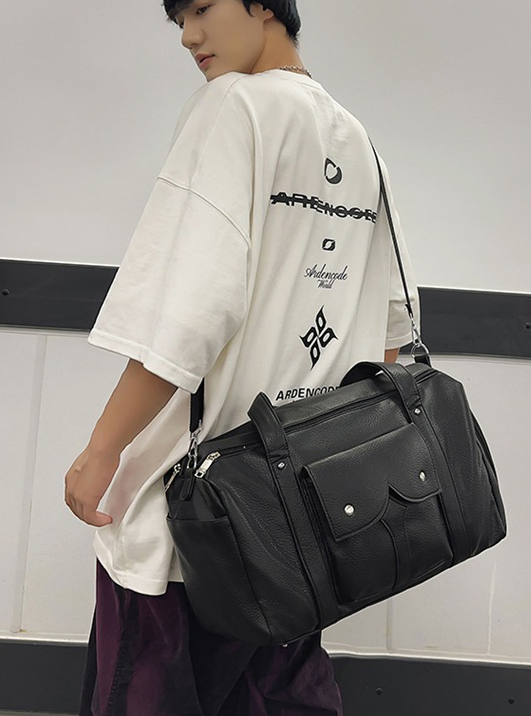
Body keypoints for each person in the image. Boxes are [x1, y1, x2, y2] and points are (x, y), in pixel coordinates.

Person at [66, 0, 422, 713]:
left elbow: (186, 311)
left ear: (264, 4)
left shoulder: (235, 105)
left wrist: (103, 449)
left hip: (194, 514)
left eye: (202, 8)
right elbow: (393, 334)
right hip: (305, 519)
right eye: (179, 21)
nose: (189, 36)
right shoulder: (359, 143)